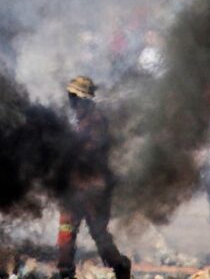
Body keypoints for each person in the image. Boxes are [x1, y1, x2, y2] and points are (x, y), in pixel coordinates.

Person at [57, 76, 131, 279]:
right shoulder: (77, 120)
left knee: (99, 235)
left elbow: (92, 151)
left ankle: (121, 267)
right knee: (66, 230)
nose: (71, 101)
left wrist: (69, 148)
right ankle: (65, 272)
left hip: (93, 188)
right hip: (74, 187)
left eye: (74, 97)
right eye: (70, 96)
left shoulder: (96, 121)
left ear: (85, 99)